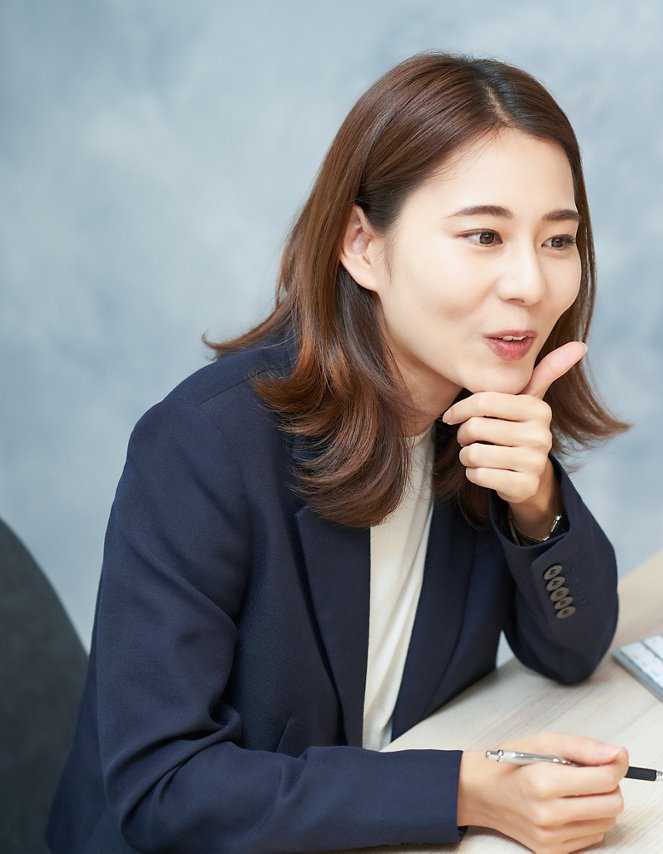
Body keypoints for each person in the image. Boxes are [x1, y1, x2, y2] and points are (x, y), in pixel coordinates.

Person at [48, 53, 630, 853]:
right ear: (362, 246)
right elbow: (166, 790)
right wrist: (463, 790)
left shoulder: (480, 412)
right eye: (484, 235)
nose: (530, 282)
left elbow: (574, 648)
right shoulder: (202, 447)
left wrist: (537, 506)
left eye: (558, 240)